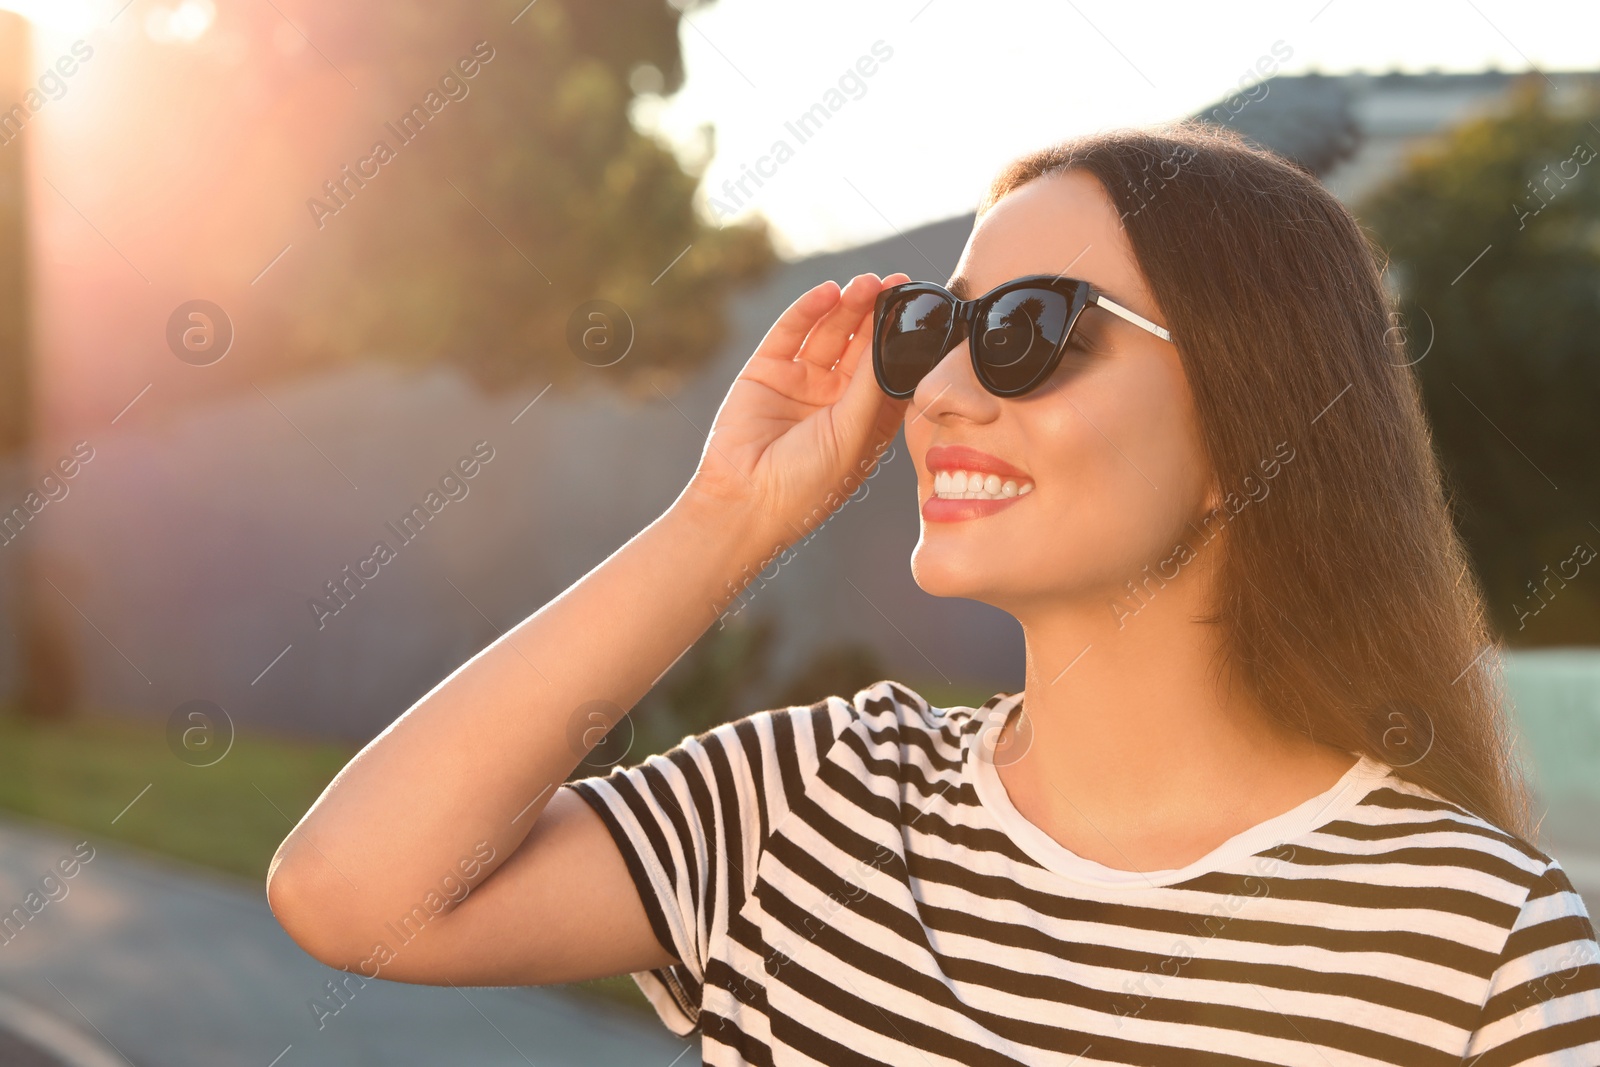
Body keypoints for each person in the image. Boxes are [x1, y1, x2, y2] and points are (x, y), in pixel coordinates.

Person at [265, 120, 1600, 1065]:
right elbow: (352, 892)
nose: (944, 390)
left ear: (1254, 424)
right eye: (938, 328)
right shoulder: (819, 797)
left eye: (1032, 332)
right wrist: (729, 519)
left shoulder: (1476, 946)